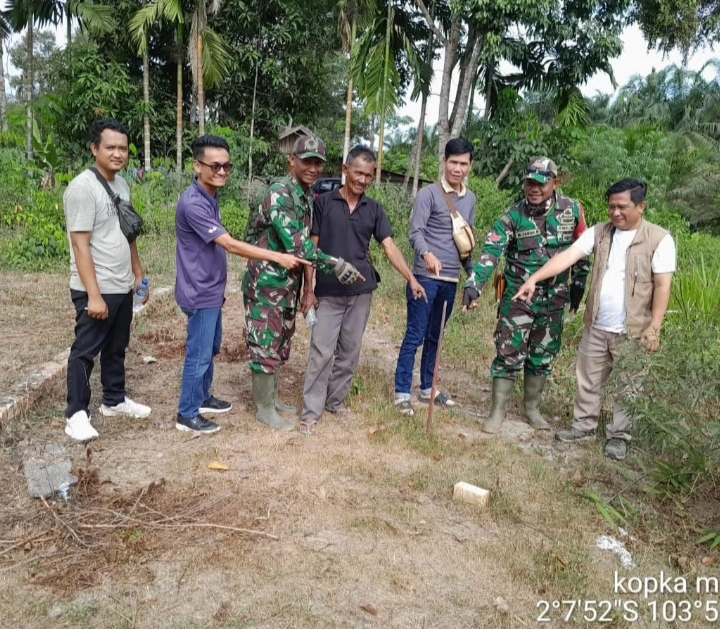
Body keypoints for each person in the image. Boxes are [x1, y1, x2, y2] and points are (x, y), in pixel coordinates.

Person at [514, 179, 676, 460]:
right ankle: (583, 426)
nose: (615, 213)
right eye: (611, 207)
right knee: (588, 379)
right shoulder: (599, 233)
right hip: (598, 324)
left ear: (641, 206)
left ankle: (619, 437)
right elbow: (567, 257)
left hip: (634, 329)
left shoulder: (659, 239)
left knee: (629, 385)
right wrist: (534, 278)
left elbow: (663, 286)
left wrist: (655, 327)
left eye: (622, 207)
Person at [174, 135, 309, 435]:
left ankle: (203, 397)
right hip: (199, 290)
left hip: (211, 289)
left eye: (226, 166)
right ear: (197, 165)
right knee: (199, 355)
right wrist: (276, 256)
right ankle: (187, 413)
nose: (222, 171)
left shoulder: (210, 196)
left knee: (210, 348)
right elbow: (230, 244)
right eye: (214, 166)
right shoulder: (193, 203)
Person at [299, 146, 427, 435]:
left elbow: (389, 246)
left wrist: (411, 278)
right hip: (328, 292)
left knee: (350, 351)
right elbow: (311, 249)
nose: (362, 180)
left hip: (360, 293)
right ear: (345, 170)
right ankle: (311, 412)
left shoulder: (374, 209)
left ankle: (336, 402)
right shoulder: (324, 203)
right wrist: (309, 290)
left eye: (368, 175)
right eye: (358, 173)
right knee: (321, 351)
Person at [242, 135, 364, 431]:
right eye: (307, 161)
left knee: (281, 340)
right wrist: (334, 264)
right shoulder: (280, 194)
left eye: (318, 163)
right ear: (291, 160)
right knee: (265, 343)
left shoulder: (305, 194)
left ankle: (272, 399)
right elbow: (298, 245)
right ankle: (264, 409)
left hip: (287, 284)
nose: (313, 168)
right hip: (266, 284)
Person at [462, 157, 590, 434]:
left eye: (541, 184)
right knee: (508, 352)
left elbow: (582, 249)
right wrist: (474, 285)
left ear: (556, 183)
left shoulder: (572, 211)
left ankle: (532, 409)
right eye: (529, 183)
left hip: (555, 298)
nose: (534, 189)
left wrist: (579, 283)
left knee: (542, 354)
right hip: (519, 298)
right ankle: (497, 412)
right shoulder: (512, 217)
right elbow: (491, 252)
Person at [62, 119, 151, 442]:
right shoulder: (82, 189)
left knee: (116, 347)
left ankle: (114, 399)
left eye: (122, 148)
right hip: (96, 288)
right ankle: (76, 414)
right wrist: (94, 295)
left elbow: (128, 232)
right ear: (94, 149)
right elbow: (80, 245)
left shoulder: (122, 185)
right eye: (110, 147)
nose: (117, 154)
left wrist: (137, 273)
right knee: (85, 351)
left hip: (121, 284)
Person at [393, 137, 476, 416]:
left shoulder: (471, 199)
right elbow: (415, 232)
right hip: (425, 278)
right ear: (444, 162)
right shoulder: (428, 194)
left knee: (436, 336)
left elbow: (466, 242)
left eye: (463, 164)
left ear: (470, 166)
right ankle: (402, 392)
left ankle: (428, 388)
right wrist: (427, 254)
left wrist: (472, 276)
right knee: (415, 334)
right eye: (453, 162)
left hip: (451, 280)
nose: (457, 168)